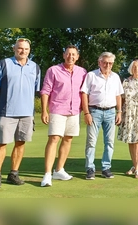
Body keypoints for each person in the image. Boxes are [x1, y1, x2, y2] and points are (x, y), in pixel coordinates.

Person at [40, 45, 87, 187]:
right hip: (57, 109)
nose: (71, 56)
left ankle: (59, 170)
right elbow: (45, 91)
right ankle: (47, 174)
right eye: (68, 54)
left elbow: (84, 92)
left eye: (74, 54)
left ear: (77, 57)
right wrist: (44, 111)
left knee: (68, 139)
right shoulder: (53, 70)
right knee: (54, 138)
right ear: (63, 55)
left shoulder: (82, 72)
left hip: (74, 111)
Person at [0, 38, 40, 187]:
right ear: (14, 48)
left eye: (26, 49)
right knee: (1, 144)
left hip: (26, 113)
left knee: (20, 143)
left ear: (29, 50)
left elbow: (36, 90)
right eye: (20, 48)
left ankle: (13, 174)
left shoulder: (35, 67)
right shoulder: (4, 64)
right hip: (6, 112)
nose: (23, 51)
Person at [80, 52, 124, 180]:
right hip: (94, 111)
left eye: (110, 63)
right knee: (91, 142)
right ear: (99, 62)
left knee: (109, 142)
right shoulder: (91, 75)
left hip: (111, 112)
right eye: (105, 62)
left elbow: (118, 95)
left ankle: (106, 167)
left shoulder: (115, 77)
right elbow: (84, 94)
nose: (107, 65)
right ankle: (90, 168)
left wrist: (119, 111)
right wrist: (86, 112)